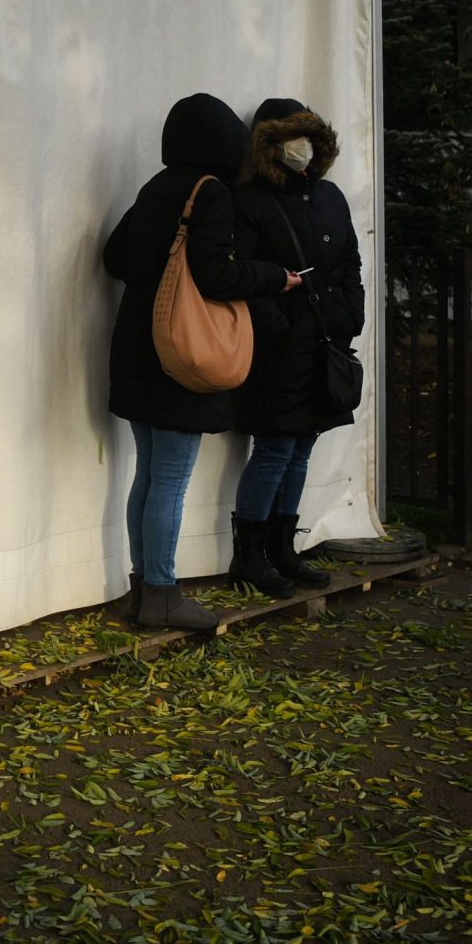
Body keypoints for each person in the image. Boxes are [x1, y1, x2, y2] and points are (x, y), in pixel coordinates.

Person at [103, 95, 299, 629]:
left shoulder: (155, 187)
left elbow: (114, 256)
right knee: (169, 478)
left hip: (138, 345)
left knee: (147, 474)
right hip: (180, 355)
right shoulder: (210, 192)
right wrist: (272, 276)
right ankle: (164, 594)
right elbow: (217, 276)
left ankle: (143, 590)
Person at [225, 99, 366, 598]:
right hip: (279, 350)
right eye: (291, 139)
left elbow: (350, 262)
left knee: (302, 449)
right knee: (275, 449)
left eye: (309, 137)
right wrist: (278, 326)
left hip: (327, 343)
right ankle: (250, 557)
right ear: (270, 146)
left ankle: (283, 549)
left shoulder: (329, 196)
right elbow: (241, 272)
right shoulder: (251, 201)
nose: (302, 149)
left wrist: (352, 316)